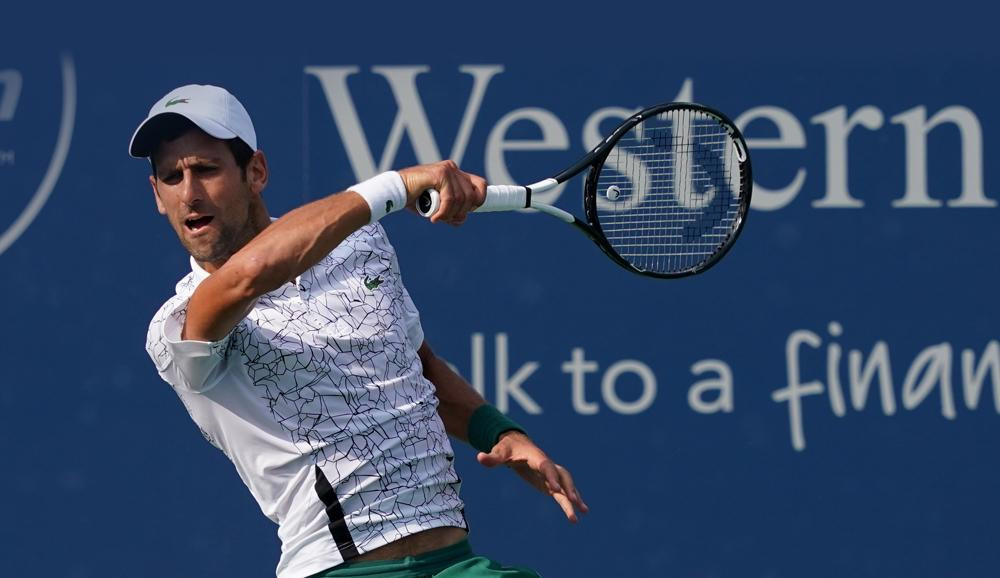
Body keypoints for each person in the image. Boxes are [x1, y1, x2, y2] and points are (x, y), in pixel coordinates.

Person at [130, 84, 586, 578]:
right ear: (157, 195)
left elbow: (416, 364)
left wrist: (499, 432)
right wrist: (395, 186)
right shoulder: (177, 323)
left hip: (455, 562)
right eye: (171, 177)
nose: (190, 193)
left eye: (206, 169)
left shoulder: (359, 243)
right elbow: (248, 275)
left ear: (255, 171)